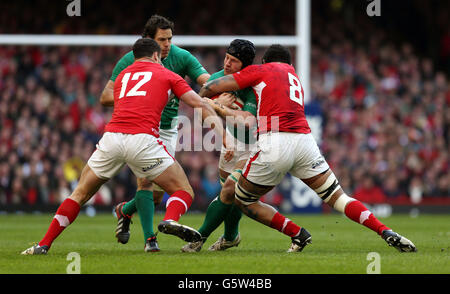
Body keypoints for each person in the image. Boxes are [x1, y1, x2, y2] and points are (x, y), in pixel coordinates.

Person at [197, 44, 417, 253]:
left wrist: (208, 102)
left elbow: (211, 86)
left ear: (265, 61)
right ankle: (384, 230)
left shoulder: (260, 70)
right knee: (339, 198)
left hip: (275, 143)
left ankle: (297, 233)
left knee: (240, 199)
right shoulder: (295, 79)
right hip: (305, 142)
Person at [21, 38, 231, 255]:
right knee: (183, 190)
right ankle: (169, 219)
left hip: (111, 138)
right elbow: (197, 103)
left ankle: (43, 245)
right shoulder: (169, 75)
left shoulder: (123, 76)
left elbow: (118, 99)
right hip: (142, 140)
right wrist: (221, 126)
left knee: (80, 194)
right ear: (157, 56)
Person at [99, 15, 232, 251]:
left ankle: (125, 210)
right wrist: (138, 95)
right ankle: (151, 240)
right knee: (146, 183)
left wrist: (223, 93)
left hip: (169, 129)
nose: (167, 44)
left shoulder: (181, 57)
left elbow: (205, 82)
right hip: (139, 126)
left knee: (158, 195)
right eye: (162, 40)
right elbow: (105, 96)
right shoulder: (130, 60)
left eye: (170, 38)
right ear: (149, 40)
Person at [181, 39, 257, 252]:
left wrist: (218, 107)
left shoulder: (254, 86)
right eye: (226, 57)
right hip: (231, 140)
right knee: (230, 193)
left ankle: (199, 238)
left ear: (245, 66)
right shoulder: (217, 80)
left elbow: (249, 124)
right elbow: (197, 105)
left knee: (231, 189)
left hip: (256, 144)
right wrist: (212, 108)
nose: (227, 63)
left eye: (233, 61)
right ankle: (231, 237)